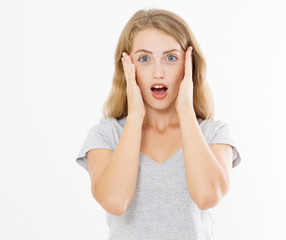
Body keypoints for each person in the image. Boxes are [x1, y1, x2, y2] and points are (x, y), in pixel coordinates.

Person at [75, 8, 241, 240]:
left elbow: (207, 196)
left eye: (171, 58)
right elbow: (115, 202)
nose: (158, 72)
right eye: (144, 59)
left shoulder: (214, 134)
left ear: (188, 64)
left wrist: (185, 111)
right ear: (128, 67)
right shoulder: (106, 135)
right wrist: (134, 118)